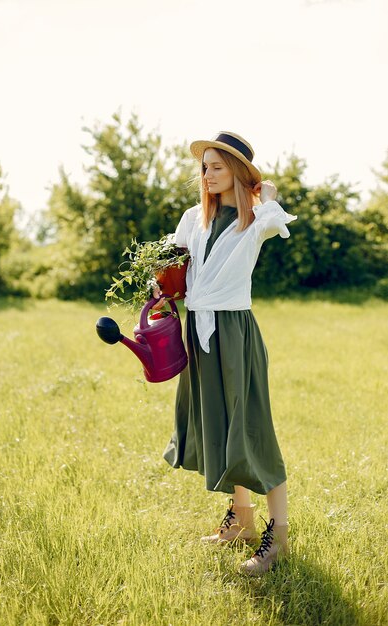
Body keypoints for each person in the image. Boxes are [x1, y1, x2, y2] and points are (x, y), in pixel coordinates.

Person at [153, 131, 297, 576]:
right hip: (198, 331)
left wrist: (264, 191)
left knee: (251, 427)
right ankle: (242, 522)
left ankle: (280, 536)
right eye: (205, 166)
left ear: (238, 171)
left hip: (234, 331)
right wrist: (160, 288)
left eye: (218, 166)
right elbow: (172, 268)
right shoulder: (193, 217)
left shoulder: (255, 219)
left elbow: (277, 218)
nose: (208, 173)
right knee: (220, 424)